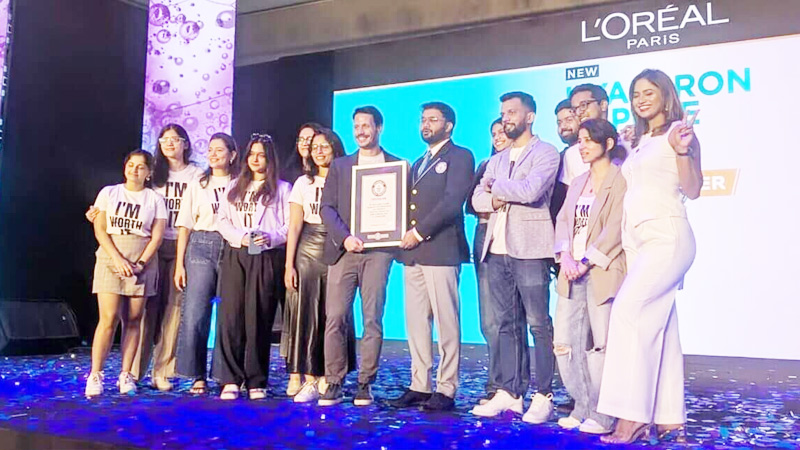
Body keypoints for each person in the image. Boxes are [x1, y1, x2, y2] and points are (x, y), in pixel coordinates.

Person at [598, 69, 702, 444]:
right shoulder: (642, 140)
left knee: (629, 313)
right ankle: (670, 419)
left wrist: (683, 150)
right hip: (640, 241)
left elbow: (693, 188)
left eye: (649, 92)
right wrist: (631, 147)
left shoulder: (679, 133)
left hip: (667, 236)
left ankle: (632, 416)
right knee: (662, 326)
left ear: (665, 95)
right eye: (635, 94)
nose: (641, 100)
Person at [470, 91, 560, 423]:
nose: (506, 118)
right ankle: (510, 392)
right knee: (506, 324)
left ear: (530, 116)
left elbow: (531, 191)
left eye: (512, 112)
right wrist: (496, 195)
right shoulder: (497, 158)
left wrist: (496, 188)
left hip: (530, 249)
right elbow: (477, 198)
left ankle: (544, 394)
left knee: (538, 324)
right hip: (496, 249)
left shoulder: (546, 152)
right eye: (503, 112)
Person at [389, 102, 474, 411]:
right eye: (423, 119)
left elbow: (452, 202)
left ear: (448, 125)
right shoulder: (417, 161)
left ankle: (446, 388)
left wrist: (419, 232)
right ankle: (420, 385)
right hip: (413, 253)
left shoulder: (460, 156)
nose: (425, 125)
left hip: (441, 249)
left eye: (433, 120)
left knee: (446, 322)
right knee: (416, 323)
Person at [317, 106, 400, 407]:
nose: (361, 131)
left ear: (379, 128)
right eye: (356, 126)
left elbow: (402, 210)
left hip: (379, 253)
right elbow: (327, 208)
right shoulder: (340, 166)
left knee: (372, 318)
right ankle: (334, 380)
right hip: (344, 251)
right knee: (336, 316)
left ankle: (365, 383)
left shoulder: (397, 166)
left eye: (366, 125)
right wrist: (346, 237)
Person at [553, 119, 627, 435]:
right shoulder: (579, 181)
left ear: (607, 144)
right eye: (580, 140)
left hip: (602, 271)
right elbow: (562, 220)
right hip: (571, 273)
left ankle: (605, 413)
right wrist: (566, 256)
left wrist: (585, 261)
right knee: (564, 342)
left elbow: (616, 227)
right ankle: (581, 405)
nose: (581, 146)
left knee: (602, 346)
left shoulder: (621, 179)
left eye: (588, 140)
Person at [214, 133, 291, 400]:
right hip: (237, 253)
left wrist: (272, 238)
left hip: (265, 256)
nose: (256, 159)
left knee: (259, 317)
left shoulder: (283, 189)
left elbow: (289, 226)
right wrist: (240, 238)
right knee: (231, 316)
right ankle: (230, 379)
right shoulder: (234, 186)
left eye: (261, 155)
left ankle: (256, 379)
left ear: (270, 159)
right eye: (252, 154)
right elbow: (222, 220)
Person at [282, 128, 357, 403]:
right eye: (315, 147)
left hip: (340, 244)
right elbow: (294, 227)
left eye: (325, 146)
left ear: (336, 147)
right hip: (309, 249)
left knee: (336, 313)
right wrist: (289, 265)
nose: (319, 151)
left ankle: (333, 376)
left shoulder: (349, 178)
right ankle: (310, 378)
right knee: (308, 312)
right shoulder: (303, 182)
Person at [85, 150, 166, 397]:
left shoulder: (155, 198)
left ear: (149, 172)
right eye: (131, 165)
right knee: (108, 318)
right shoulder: (109, 193)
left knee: (133, 319)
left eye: (140, 167)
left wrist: (140, 263)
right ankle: (96, 374)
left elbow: (157, 237)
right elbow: (100, 230)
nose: (134, 170)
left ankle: (126, 374)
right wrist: (117, 259)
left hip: (141, 258)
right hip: (111, 255)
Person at [135, 124, 203, 390]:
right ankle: (134, 370)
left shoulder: (197, 174)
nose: (169, 143)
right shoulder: (152, 174)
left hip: (183, 245)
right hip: (151, 245)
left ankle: (163, 371)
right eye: (164, 139)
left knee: (175, 309)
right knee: (146, 309)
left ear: (185, 143)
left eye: (175, 139)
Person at [173, 133, 239, 395]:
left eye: (219, 150)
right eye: (210, 149)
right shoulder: (197, 183)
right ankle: (196, 375)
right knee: (195, 311)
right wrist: (179, 264)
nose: (213, 154)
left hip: (232, 247)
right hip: (200, 244)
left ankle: (225, 374)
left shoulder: (241, 183)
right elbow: (185, 225)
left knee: (228, 314)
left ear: (233, 155)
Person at [466, 118, 509, 406]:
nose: (498, 137)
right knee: (489, 320)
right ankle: (496, 384)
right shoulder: (485, 165)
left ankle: (512, 384)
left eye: (502, 132)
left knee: (512, 318)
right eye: (493, 133)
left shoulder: (527, 163)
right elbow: (472, 205)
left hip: (514, 237)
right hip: (484, 235)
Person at [282, 122, 324, 395]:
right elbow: (294, 224)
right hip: (300, 248)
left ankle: (323, 371)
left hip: (331, 246)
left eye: (314, 140)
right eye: (302, 139)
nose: (308, 145)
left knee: (327, 312)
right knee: (298, 310)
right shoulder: (294, 178)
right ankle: (296, 371)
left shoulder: (340, 173)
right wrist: (289, 263)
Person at [551, 100, 580, 224]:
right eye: (559, 122)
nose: (563, 127)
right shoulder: (559, 157)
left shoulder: (598, 152)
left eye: (569, 120)